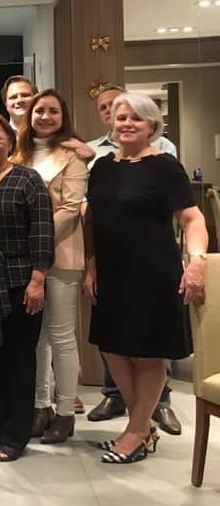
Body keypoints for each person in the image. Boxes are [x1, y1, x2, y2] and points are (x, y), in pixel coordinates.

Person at [84, 92, 206, 463]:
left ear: (152, 125)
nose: (127, 123)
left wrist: (197, 261)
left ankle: (136, 431)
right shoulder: (102, 167)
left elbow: (192, 218)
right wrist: (90, 264)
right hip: (111, 272)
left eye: (136, 118)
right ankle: (144, 426)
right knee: (112, 347)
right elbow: (92, 220)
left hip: (154, 271)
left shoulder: (165, 166)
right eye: (121, 117)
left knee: (149, 352)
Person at [0, 113, 54, 462]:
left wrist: (37, 279)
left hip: (20, 279)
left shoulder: (28, 179)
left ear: (10, 142)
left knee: (19, 358)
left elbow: (42, 230)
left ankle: (17, 434)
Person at [13, 90, 87, 444]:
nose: (45, 116)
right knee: (35, 337)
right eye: (39, 110)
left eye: (53, 111)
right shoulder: (17, 155)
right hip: (25, 258)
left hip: (62, 252)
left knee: (61, 335)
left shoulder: (74, 156)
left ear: (63, 116)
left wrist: (33, 239)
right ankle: (40, 407)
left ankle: (65, 412)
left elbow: (71, 209)